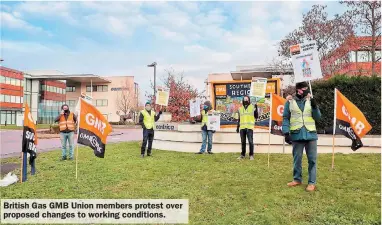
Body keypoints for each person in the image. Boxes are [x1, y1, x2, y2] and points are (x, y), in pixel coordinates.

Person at [282, 81, 321, 192]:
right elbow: (285, 118)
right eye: (304, 89)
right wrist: (286, 132)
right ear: (298, 90)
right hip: (296, 135)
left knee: (312, 160)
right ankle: (297, 179)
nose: (306, 91)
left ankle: (311, 182)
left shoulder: (311, 101)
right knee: (297, 159)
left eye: (307, 89)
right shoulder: (290, 102)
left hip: (311, 135)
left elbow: (318, 117)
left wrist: (314, 105)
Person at [236, 96, 259, 160]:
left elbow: (256, 116)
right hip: (242, 128)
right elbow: (239, 118)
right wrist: (237, 127)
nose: (245, 100)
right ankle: (242, 155)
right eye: (244, 99)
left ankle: (251, 155)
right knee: (243, 142)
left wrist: (256, 108)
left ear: (249, 100)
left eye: (247, 99)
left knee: (250, 142)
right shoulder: (240, 108)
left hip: (249, 127)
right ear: (243, 100)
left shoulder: (252, 107)